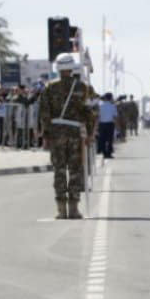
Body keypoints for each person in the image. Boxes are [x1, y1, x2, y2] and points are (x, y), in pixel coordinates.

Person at [40, 54, 97, 218]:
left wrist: (46, 135)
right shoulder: (83, 88)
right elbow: (91, 112)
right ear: (72, 68)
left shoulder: (49, 87)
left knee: (58, 170)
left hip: (56, 133)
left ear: (57, 68)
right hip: (75, 134)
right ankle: (73, 209)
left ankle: (61, 209)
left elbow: (44, 113)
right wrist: (90, 134)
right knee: (75, 170)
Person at [96, 93, 118, 158]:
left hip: (102, 124)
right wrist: (117, 126)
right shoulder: (113, 106)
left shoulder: (100, 106)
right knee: (109, 139)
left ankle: (103, 152)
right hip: (110, 124)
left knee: (102, 139)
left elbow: (98, 116)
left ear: (105, 98)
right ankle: (108, 154)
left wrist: (96, 125)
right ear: (111, 98)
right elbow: (115, 116)